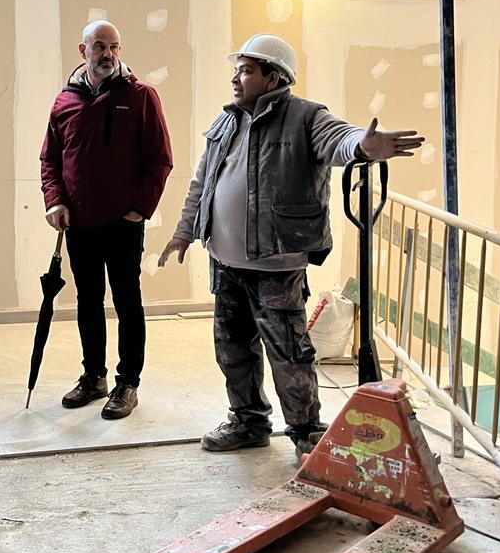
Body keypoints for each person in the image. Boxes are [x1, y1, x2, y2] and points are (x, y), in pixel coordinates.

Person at [157, 34, 423, 456]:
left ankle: (306, 432)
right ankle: (248, 422)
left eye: (246, 70)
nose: (236, 78)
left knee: (289, 355)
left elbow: (340, 139)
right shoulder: (227, 121)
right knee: (232, 349)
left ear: (273, 76)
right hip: (225, 263)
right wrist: (185, 231)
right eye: (237, 69)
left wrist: (363, 147)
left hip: (276, 266)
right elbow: (202, 182)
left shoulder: (305, 117)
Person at [40, 21, 173, 419]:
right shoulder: (65, 101)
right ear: (83, 50)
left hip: (123, 224)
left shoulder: (140, 96)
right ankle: (93, 377)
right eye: (100, 46)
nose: (108, 54)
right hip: (79, 223)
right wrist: (54, 201)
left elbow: (160, 160)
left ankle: (127, 383)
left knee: (128, 302)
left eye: (114, 46)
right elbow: (50, 159)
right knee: (88, 302)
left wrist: (139, 210)